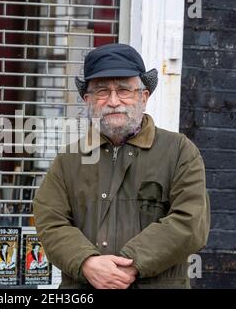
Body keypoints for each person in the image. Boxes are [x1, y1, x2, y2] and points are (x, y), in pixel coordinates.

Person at [33, 43, 210, 289]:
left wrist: (130, 263)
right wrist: (86, 262)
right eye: (102, 91)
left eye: (124, 90)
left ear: (144, 97)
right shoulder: (69, 159)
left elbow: (191, 222)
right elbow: (50, 221)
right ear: (88, 100)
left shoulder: (179, 151)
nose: (114, 101)